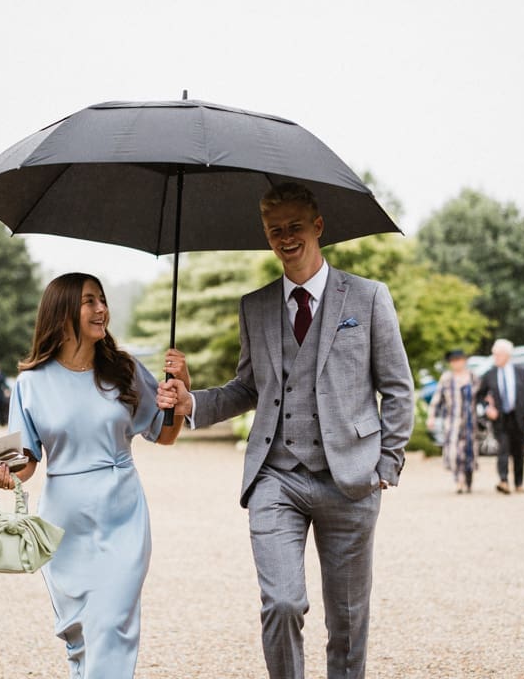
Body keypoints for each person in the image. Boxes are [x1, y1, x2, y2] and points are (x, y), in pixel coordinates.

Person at [164, 182, 415, 679]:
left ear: (317, 227)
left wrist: (386, 465)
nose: (286, 238)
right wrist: (191, 401)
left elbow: (398, 388)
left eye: (295, 227)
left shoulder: (367, 298)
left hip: (350, 479)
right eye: (275, 230)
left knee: (347, 620)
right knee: (281, 602)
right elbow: (246, 388)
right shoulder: (254, 306)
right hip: (276, 477)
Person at [0, 272, 189, 679]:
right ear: (62, 312)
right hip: (65, 524)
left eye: (102, 300)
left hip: (122, 516)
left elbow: (164, 435)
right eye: (90, 301)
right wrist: (6, 473)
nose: (102, 309)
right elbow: (28, 461)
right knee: (81, 637)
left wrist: (180, 395)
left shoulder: (125, 371)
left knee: (111, 623)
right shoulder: (30, 383)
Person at [475, 338, 524, 494]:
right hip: (500, 419)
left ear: (507, 355)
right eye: (494, 354)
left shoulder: (521, 372)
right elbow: (480, 396)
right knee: (503, 449)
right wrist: (487, 408)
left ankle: (519, 482)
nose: (495, 358)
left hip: (519, 417)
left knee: (519, 451)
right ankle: (503, 481)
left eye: (498, 355)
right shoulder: (490, 375)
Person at [426, 348, 479, 493]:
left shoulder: (473, 377)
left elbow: (481, 395)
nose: (457, 363)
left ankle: (468, 479)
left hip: (470, 421)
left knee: (469, 452)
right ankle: (459, 481)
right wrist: (431, 417)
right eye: (454, 361)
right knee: (454, 452)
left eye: (459, 360)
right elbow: (437, 399)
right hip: (452, 421)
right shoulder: (447, 378)